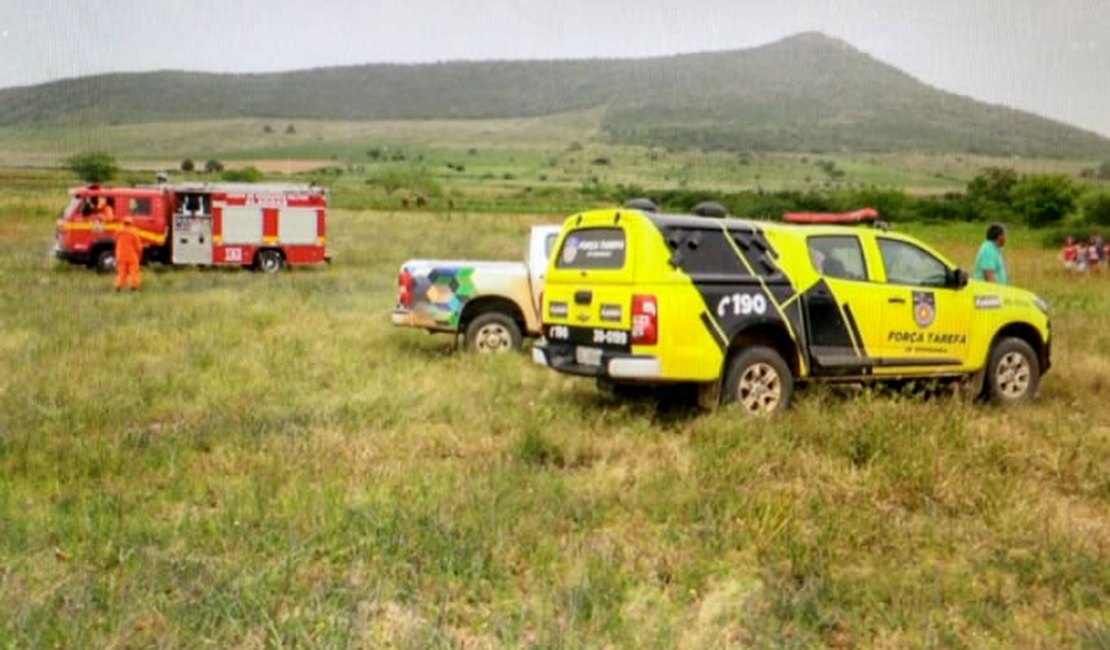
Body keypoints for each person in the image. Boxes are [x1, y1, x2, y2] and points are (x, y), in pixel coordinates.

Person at [114, 216, 144, 292]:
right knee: (134, 272)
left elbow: (114, 239)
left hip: (120, 256)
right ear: (131, 223)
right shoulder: (134, 232)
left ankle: (118, 287)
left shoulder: (119, 231)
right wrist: (140, 254)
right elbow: (138, 247)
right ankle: (134, 287)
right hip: (132, 256)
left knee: (122, 273)